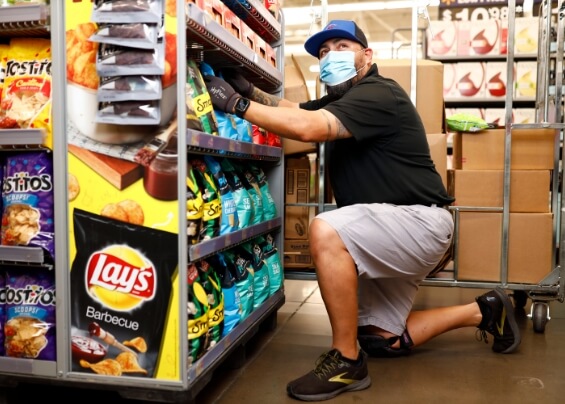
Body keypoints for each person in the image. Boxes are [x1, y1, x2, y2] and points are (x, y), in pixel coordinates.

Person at [204, 19, 521, 402]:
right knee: (382, 340)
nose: (330, 57)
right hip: (392, 229)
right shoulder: (342, 99)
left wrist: (236, 105)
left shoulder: (379, 92)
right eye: (323, 53)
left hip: (418, 223)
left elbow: (308, 127)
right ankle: (484, 310)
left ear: (366, 56)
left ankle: (345, 361)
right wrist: (251, 90)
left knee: (326, 228)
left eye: (341, 47)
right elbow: (296, 108)